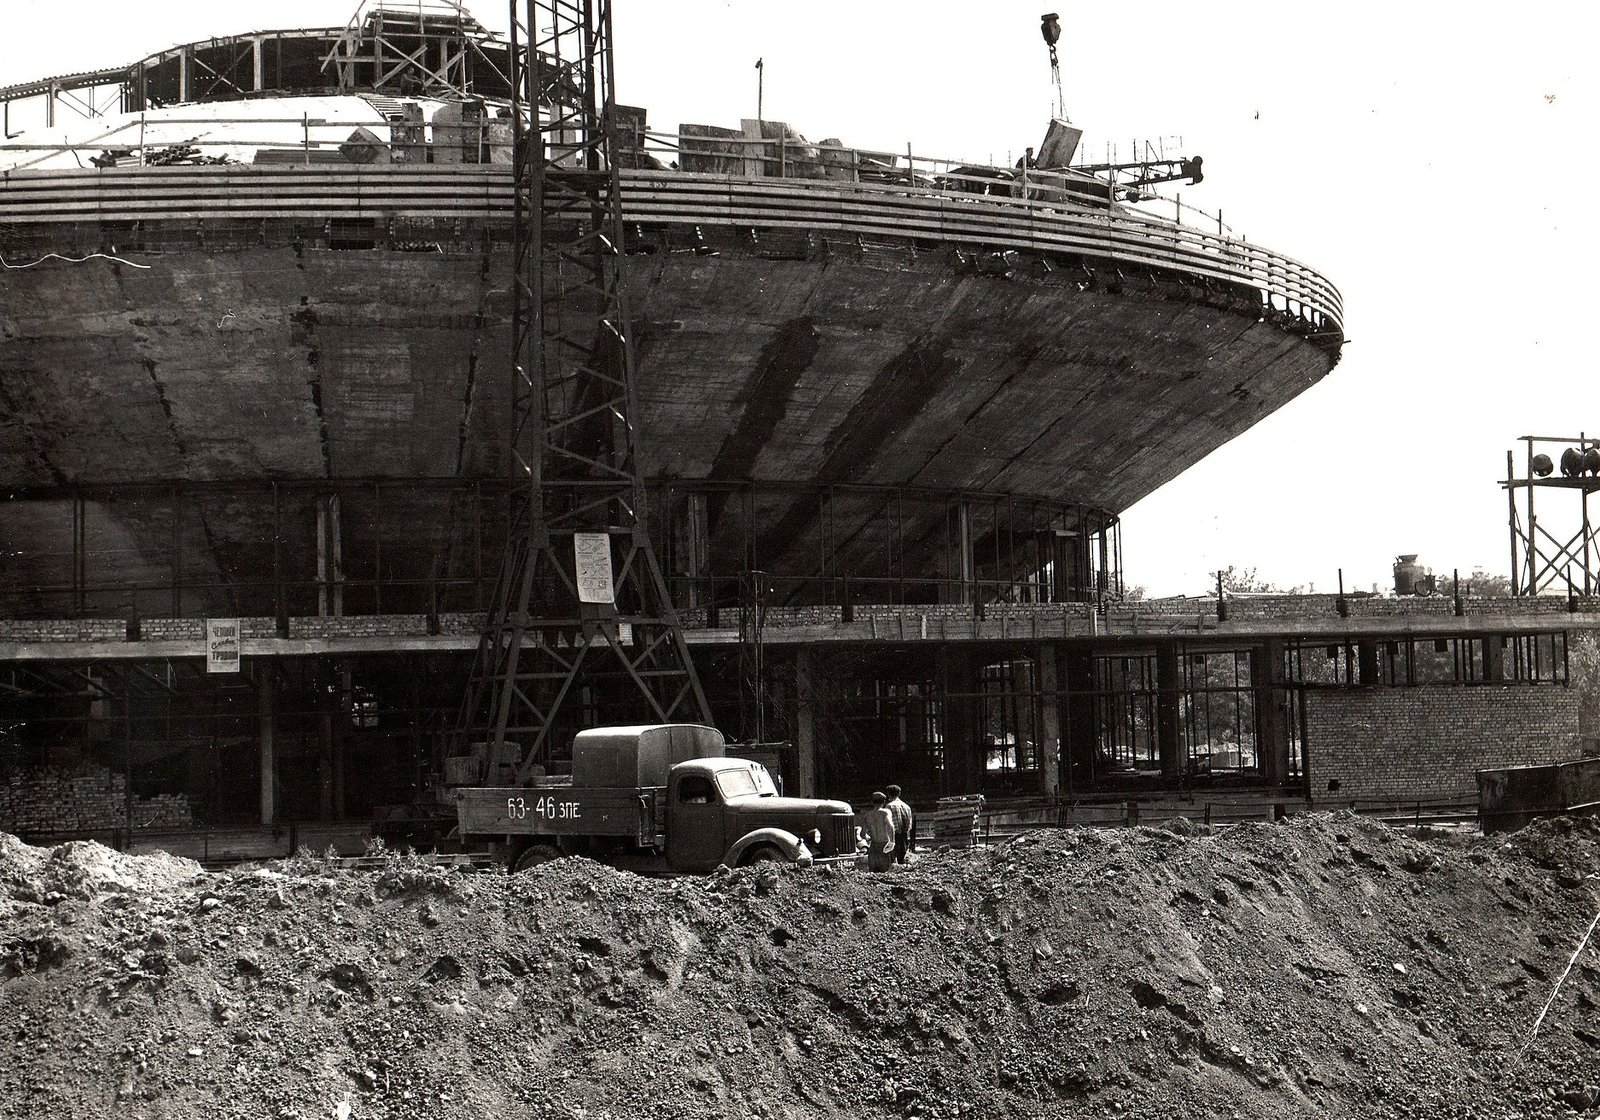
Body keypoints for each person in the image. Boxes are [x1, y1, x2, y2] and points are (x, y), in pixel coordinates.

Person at [860, 791, 896, 872]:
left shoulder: (867, 815)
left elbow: (862, 834)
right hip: (884, 845)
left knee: (874, 874)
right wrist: (892, 841)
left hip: (873, 847)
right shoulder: (885, 812)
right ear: (884, 802)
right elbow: (890, 825)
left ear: (872, 802)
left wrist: (869, 838)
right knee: (886, 873)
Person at [885, 784, 915, 864]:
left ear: (888, 794)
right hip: (904, 835)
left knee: (892, 858)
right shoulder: (906, 806)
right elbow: (909, 822)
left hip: (893, 835)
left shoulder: (889, 806)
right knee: (902, 857)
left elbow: (888, 823)